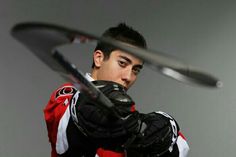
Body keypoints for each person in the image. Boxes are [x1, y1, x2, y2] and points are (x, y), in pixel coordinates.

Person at [44, 23, 189, 157]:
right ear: (99, 58)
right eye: (122, 63)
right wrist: (83, 108)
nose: (128, 76)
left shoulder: (128, 113)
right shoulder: (69, 95)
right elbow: (62, 128)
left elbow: (182, 146)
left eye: (136, 70)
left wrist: (167, 129)